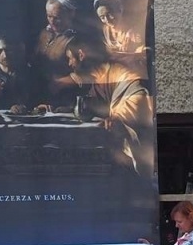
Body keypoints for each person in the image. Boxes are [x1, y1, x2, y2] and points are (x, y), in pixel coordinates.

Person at [64, 37, 155, 176]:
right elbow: (97, 106)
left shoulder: (122, 73)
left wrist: (118, 118)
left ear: (81, 55)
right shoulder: (97, 79)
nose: (69, 64)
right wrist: (63, 109)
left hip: (130, 166)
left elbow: (137, 98)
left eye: (70, 58)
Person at [32, 0, 80, 107]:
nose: (52, 21)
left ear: (71, 14)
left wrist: (58, 83)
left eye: (57, 17)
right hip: (38, 98)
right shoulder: (44, 33)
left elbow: (86, 75)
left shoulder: (76, 40)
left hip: (64, 102)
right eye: (49, 16)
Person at [94, 0, 145, 68]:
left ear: (119, 10)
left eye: (109, 14)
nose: (107, 20)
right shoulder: (105, 31)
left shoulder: (134, 31)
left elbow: (144, 52)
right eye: (102, 17)